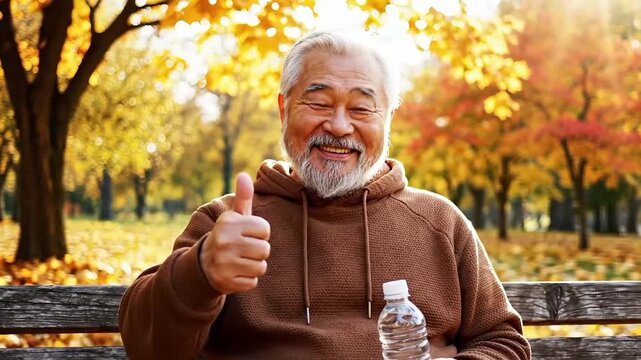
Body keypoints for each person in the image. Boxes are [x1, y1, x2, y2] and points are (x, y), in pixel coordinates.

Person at [118, 29, 531, 360]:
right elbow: (147, 347)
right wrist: (201, 273)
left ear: (387, 120)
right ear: (284, 110)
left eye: (361, 108)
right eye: (318, 102)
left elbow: (503, 342)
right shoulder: (227, 225)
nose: (338, 126)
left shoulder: (440, 221)